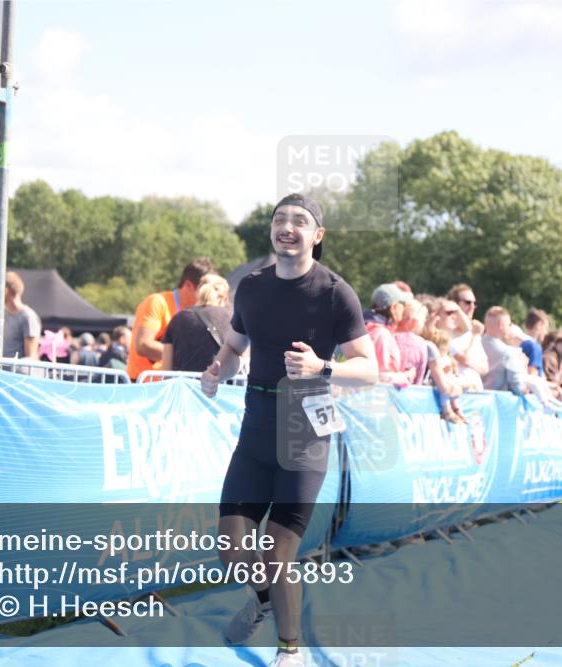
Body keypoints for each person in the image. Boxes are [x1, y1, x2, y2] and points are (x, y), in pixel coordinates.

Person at [200, 193, 377, 667]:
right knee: (231, 547)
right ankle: (262, 598)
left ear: (317, 236)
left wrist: (322, 367)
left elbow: (369, 369)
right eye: (280, 219)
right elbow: (235, 345)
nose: (287, 227)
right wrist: (218, 368)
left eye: (300, 221)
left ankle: (290, 651)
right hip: (256, 424)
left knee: (279, 553)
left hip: (305, 428)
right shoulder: (253, 287)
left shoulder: (336, 292)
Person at [126, 257, 215, 381]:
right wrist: (185, 354)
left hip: (172, 386)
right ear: (188, 285)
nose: (209, 296)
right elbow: (143, 345)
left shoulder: (200, 312)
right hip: (145, 386)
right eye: (204, 291)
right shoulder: (157, 302)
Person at [162, 274, 233, 373]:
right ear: (224, 297)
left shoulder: (178, 318)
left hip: (183, 386)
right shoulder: (232, 319)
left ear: (198, 293)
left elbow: (165, 370)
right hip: (220, 386)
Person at [366, 283, 416, 385]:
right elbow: (380, 377)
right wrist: (405, 377)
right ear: (394, 308)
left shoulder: (370, 328)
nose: (404, 309)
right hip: (373, 398)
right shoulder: (381, 334)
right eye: (402, 304)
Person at [2, 271, 41, 359]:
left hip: (17, 372)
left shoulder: (28, 317)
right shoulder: (2, 314)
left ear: (6, 290)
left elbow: (30, 357)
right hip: (1, 371)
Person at [520, 308, 549, 376]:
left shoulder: (521, 344)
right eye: (545, 328)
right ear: (539, 325)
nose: (546, 332)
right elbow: (532, 375)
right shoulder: (535, 347)